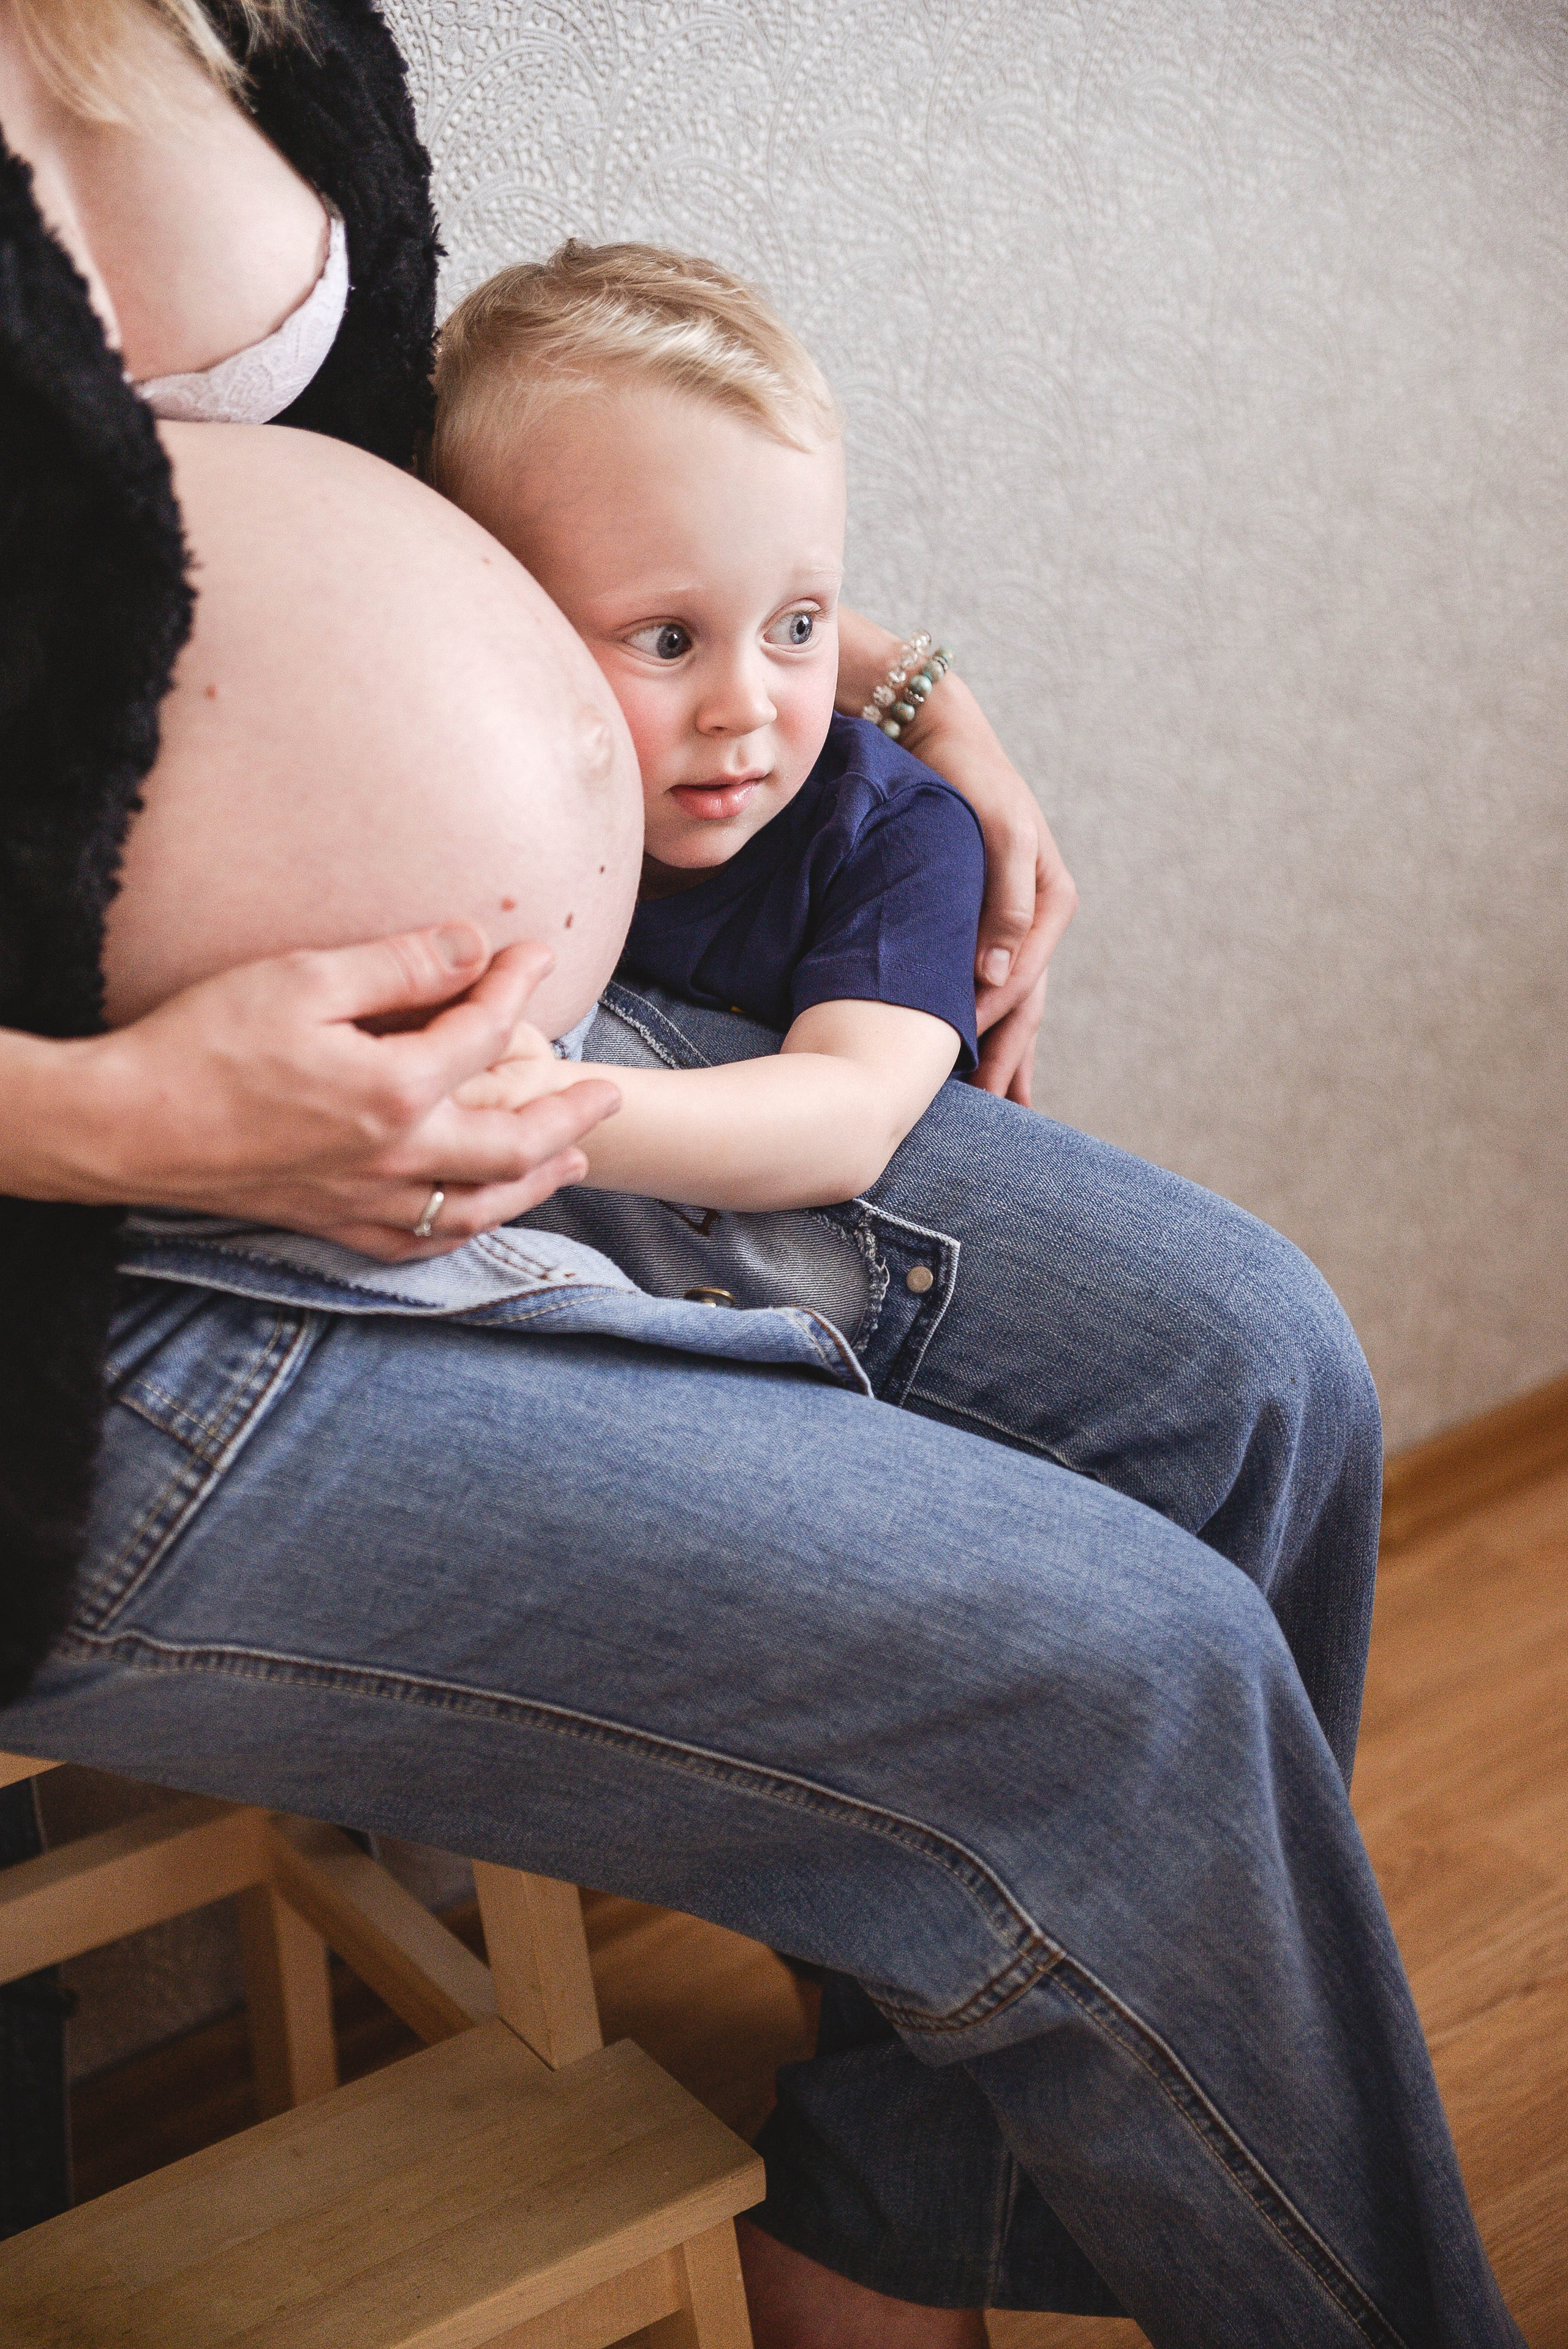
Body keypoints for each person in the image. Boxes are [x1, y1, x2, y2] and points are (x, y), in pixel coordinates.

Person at [0, 4, 1523, 2343]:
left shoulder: (235, 18)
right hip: (83, 1271)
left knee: (1251, 1376)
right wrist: (128, 1116)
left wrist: (885, 679)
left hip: (506, 1060)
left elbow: (424, 481)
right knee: (1130, 1689)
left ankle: (898, 2241)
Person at [431, 241, 986, 1210]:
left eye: (799, 626)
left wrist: (546, 1100)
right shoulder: (456, 783)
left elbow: (849, 1114)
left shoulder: (895, 834)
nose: (748, 706)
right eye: (671, 638)